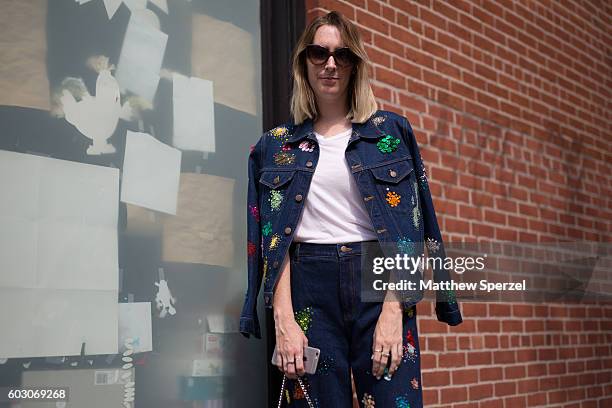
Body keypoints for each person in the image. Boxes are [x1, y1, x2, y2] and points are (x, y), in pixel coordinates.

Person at [240, 10, 463, 407]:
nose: (329, 64)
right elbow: (274, 242)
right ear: (303, 63)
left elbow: (412, 227)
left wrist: (395, 310)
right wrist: (284, 320)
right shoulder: (273, 147)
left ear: (355, 65)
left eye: (342, 56)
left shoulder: (391, 134)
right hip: (308, 284)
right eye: (318, 53)